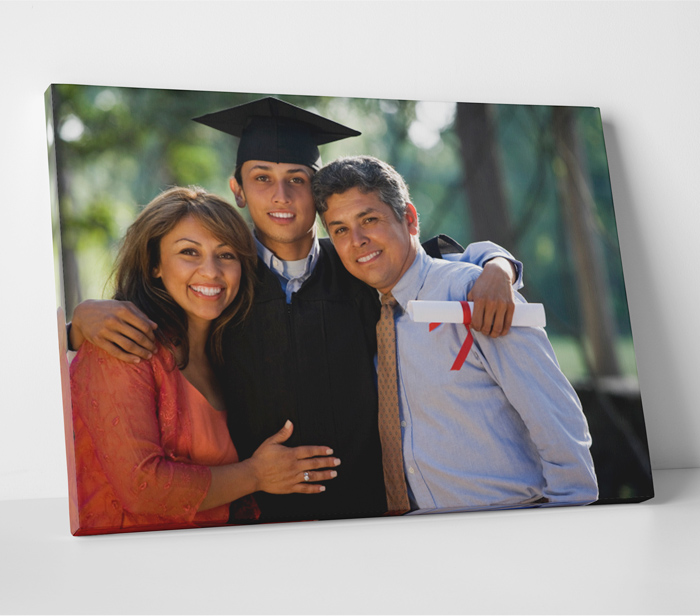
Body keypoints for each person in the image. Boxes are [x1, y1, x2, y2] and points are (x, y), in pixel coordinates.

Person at [68, 98, 523, 523]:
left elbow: (437, 263)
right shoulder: (222, 283)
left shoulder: (359, 269)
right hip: (256, 519)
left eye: (297, 180)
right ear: (238, 190)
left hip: (368, 508)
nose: (281, 195)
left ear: (318, 194)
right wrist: (76, 325)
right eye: (262, 178)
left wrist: (498, 264)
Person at [312, 155, 598, 514]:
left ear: (410, 219)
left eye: (369, 219)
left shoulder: (476, 294)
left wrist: (568, 519)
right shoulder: (361, 311)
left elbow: (558, 423)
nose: (357, 240)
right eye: (339, 230)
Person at [69, 186, 339, 535]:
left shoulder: (230, 352)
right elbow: (143, 489)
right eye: (189, 252)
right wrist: (256, 475)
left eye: (226, 255)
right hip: (132, 569)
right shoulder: (122, 347)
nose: (210, 271)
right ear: (154, 264)